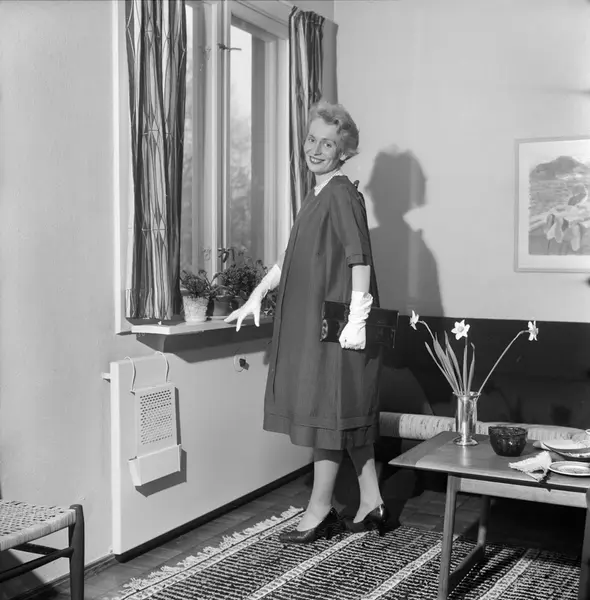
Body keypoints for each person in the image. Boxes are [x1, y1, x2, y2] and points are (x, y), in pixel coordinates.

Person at [225, 101, 387, 543]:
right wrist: (258, 293)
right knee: (343, 411)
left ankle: (320, 510)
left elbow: (359, 260)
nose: (316, 149)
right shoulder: (317, 195)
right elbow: (290, 258)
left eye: (327, 144)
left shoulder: (341, 194)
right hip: (322, 325)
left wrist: (357, 320)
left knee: (325, 416)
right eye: (312, 139)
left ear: (343, 151)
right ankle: (371, 500)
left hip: (338, 328)